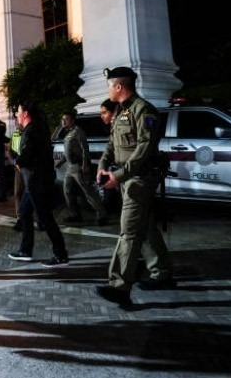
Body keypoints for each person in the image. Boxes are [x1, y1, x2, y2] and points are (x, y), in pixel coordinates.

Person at [95, 66, 176, 307]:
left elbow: (144, 148)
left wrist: (118, 175)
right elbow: (113, 143)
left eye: (110, 85)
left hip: (138, 179)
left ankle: (119, 286)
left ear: (119, 86)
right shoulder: (121, 110)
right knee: (146, 227)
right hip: (127, 179)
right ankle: (161, 273)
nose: (108, 89)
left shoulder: (143, 110)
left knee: (129, 232)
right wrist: (102, 165)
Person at [8, 101, 69, 267]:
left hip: (37, 183)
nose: (17, 115)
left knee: (46, 219)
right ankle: (25, 250)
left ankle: (61, 254)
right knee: (24, 212)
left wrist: (14, 159)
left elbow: (24, 159)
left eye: (19, 111)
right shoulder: (37, 129)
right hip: (34, 182)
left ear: (26, 113)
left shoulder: (31, 131)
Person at [55, 111, 108, 225]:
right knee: (67, 191)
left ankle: (102, 215)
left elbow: (85, 149)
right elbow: (68, 150)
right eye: (62, 119)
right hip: (70, 167)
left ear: (72, 120)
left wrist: (85, 165)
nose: (63, 121)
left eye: (66, 119)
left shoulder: (78, 132)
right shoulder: (67, 133)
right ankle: (75, 214)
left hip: (78, 167)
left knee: (88, 192)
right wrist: (61, 161)